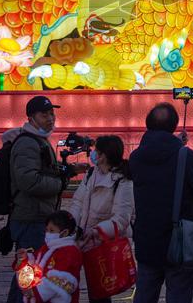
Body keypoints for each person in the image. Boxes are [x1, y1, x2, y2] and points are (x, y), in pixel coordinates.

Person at [130, 103, 193, 303]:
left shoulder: (136, 158)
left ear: (148, 124)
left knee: (145, 292)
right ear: (174, 125)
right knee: (179, 293)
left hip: (147, 238)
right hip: (180, 239)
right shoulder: (185, 156)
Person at [7, 96, 86, 303]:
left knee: (31, 272)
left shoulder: (38, 140)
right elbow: (28, 181)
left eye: (52, 114)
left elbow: (44, 171)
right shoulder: (27, 143)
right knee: (28, 273)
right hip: (30, 217)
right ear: (31, 117)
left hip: (38, 214)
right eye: (45, 115)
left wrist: (67, 171)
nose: (51, 118)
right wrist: (60, 184)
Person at [67, 135, 135, 303]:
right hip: (81, 238)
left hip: (101, 243)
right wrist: (71, 224)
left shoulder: (123, 181)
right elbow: (78, 201)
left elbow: (121, 219)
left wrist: (97, 230)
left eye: (96, 151)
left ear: (103, 155)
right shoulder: (91, 173)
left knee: (100, 291)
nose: (93, 154)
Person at [14, 210, 84, 303]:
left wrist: (35, 292)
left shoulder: (70, 252)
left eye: (51, 230)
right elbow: (34, 262)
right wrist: (24, 258)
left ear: (64, 232)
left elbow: (60, 279)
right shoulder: (47, 247)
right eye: (46, 230)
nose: (47, 233)